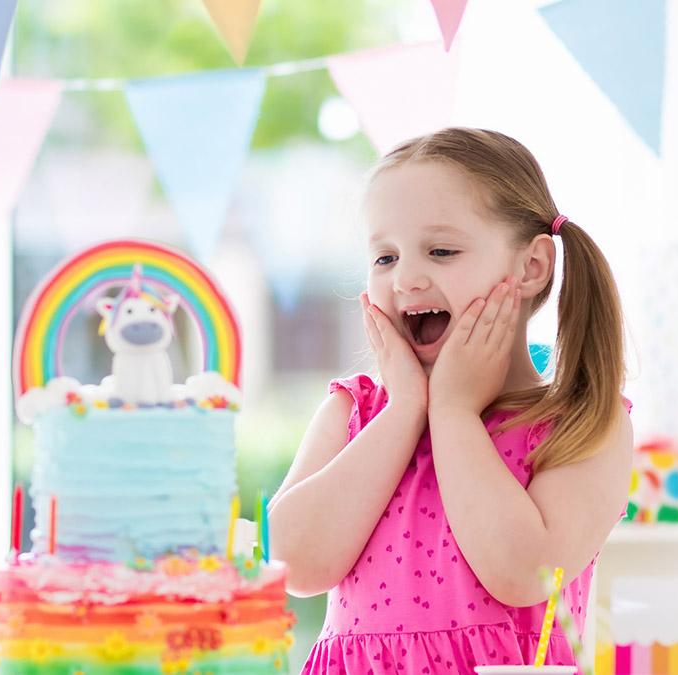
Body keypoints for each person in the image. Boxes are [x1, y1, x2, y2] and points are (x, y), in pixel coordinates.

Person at [268, 127, 634, 673]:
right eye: (385, 258)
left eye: (441, 251)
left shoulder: (580, 422)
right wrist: (405, 412)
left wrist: (454, 413)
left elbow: (524, 573)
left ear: (531, 267)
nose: (408, 278)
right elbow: (292, 563)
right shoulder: (354, 413)